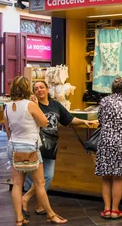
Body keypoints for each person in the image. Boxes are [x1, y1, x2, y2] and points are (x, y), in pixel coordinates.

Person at [22, 81, 96, 217]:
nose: (39, 90)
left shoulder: (55, 105)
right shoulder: (31, 106)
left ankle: (27, 198)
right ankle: (38, 205)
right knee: (39, 178)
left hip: (51, 146)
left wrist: (83, 121)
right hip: (37, 145)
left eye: (41, 87)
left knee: (47, 176)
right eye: (36, 88)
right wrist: (36, 106)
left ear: (47, 89)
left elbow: (68, 119)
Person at [3, 76, 67, 226]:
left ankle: (19, 218)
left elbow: (7, 129)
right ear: (27, 89)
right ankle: (51, 215)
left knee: (17, 184)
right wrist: (36, 106)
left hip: (13, 146)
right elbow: (44, 123)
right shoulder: (30, 105)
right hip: (30, 147)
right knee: (40, 183)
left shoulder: (7, 106)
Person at [96, 77, 122, 219]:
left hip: (106, 140)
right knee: (118, 177)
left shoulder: (104, 101)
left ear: (112, 89)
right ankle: (115, 210)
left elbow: (100, 119)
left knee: (106, 176)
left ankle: (106, 209)